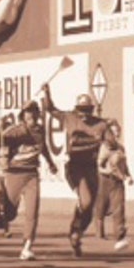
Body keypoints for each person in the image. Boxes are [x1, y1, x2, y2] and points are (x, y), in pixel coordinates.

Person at [40, 85, 110, 257]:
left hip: (91, 167)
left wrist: (110, 143)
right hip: (75, 167)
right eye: (81, 110)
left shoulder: (100, 124)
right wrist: (47, 93)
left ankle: (77, 233)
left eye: (87, 110)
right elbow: (50, 109)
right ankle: (75, 229)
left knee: (91, 206)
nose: (84, 113)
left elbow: (112, 142)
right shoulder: (69, 118)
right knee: (86, 201)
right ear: (76, 109)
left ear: (92, 109)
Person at [0, 102, 58, 260]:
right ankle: (3, 214)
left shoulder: (40, 130)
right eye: (28, 113)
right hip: (14, 174)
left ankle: (27, 246)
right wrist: (0, 128)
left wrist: (51, 163)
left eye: (34, 112)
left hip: (32, 175)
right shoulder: (16, 130)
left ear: (38, 114)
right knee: (9, 212)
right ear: (23, 115)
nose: (31, 115)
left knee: (32, 212)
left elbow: (43, 147)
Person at [95, 121, 134, 252]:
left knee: (119, 208)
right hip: (104, 180)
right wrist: (108, 171)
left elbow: (124, 165)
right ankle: (99, 235)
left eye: (117, 130)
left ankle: (120, 236)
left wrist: (128, 175)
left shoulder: (120, 148)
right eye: (113, 131)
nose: (116, 133)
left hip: (117, 182)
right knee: (101, 208)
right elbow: (100, 165)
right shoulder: (104, 148)